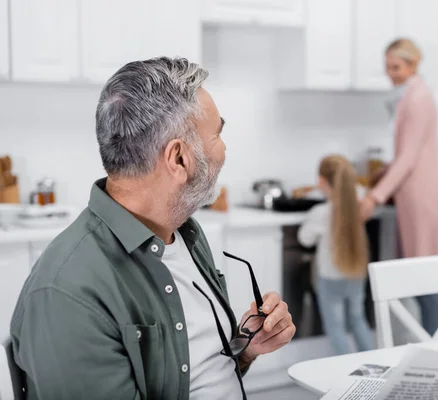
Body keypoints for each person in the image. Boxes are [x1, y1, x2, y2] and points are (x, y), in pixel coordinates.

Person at [10, 57, 295, 400]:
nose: (224, 149)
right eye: (217, 135)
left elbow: (199, 373)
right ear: (179, 159)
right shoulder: (67, 293)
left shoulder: (184, 232)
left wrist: (246, 348)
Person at [360, 39, 438, 337]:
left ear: (413, 64)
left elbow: (410, 157)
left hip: (421, 200)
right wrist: (385, 174)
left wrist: (374, 196)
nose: (391, 73)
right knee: (423, 284)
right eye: (387, 67)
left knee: (424, 283)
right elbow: (410, 154)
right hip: (415, 198)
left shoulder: (418, 99)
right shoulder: (412, 96)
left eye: (396, 67)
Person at [298, 155, 374, 355]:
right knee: (358, 320)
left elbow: (304, 239)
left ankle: (346, 373)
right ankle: (376, 366)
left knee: (336, 327)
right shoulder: (360, 204)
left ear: (321, 182)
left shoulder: (320, 213)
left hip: (330, 279)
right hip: (356, 274)